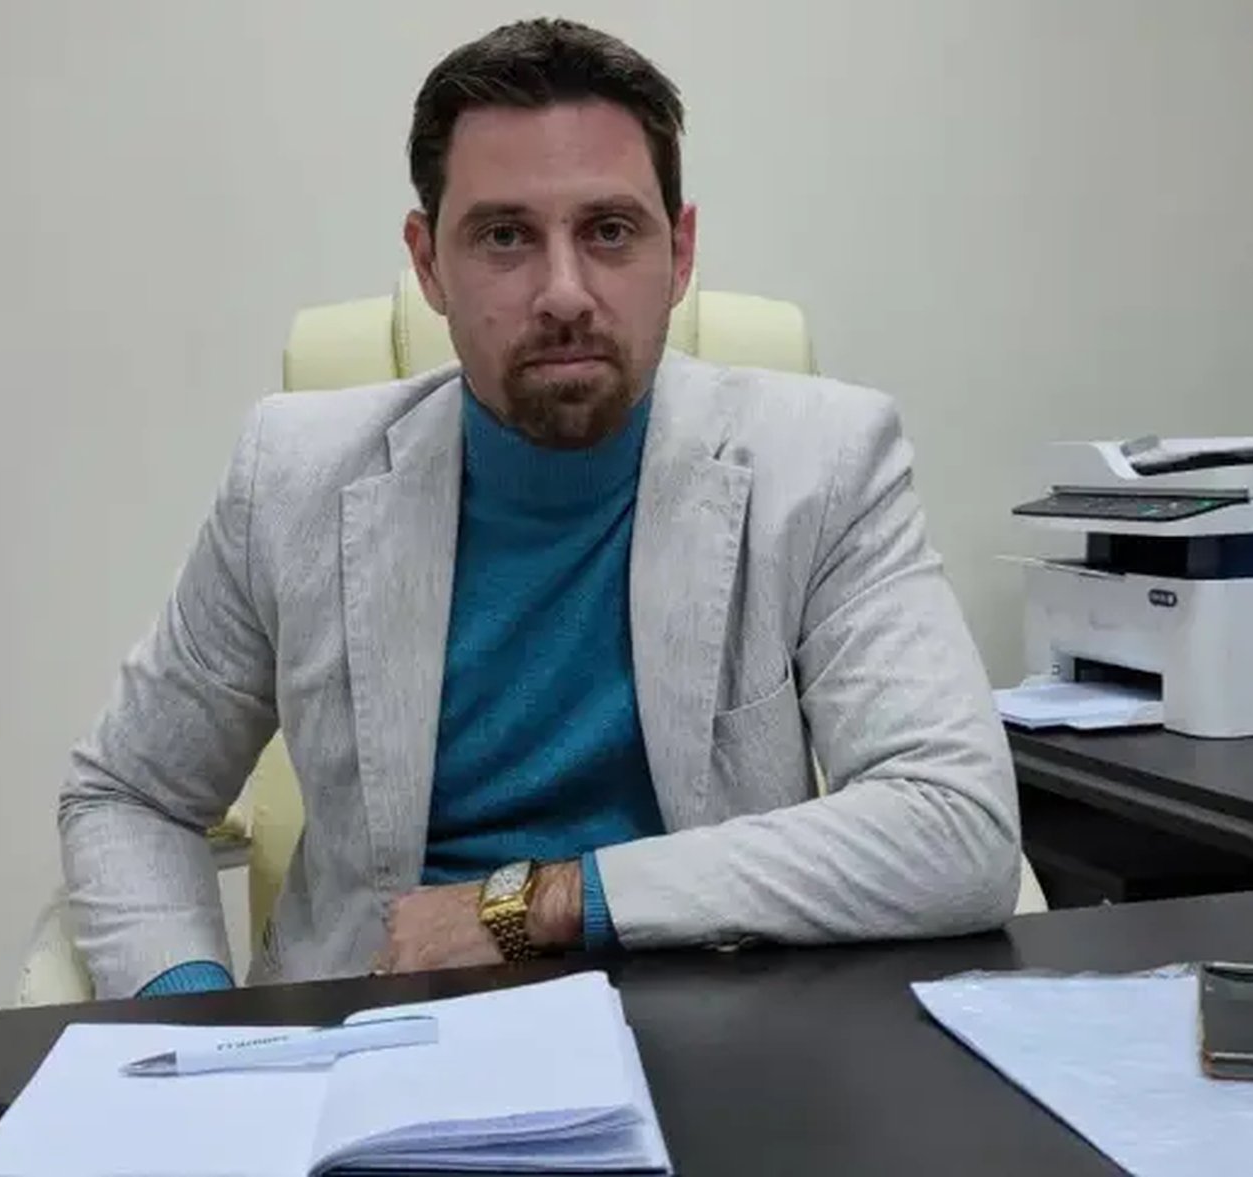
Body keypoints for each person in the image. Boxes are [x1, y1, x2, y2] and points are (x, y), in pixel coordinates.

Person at [59, 17, 1020, 999]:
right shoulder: (290, 478)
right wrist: (198, 1023)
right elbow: (128, 795)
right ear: (428, 263)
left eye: (610, 231)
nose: (564, 293)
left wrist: (529, 906)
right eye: (505, 237)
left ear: (681, 252)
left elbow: (957, 824)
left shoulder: (824, 465)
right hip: (379, 1030)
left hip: (712, 1025)